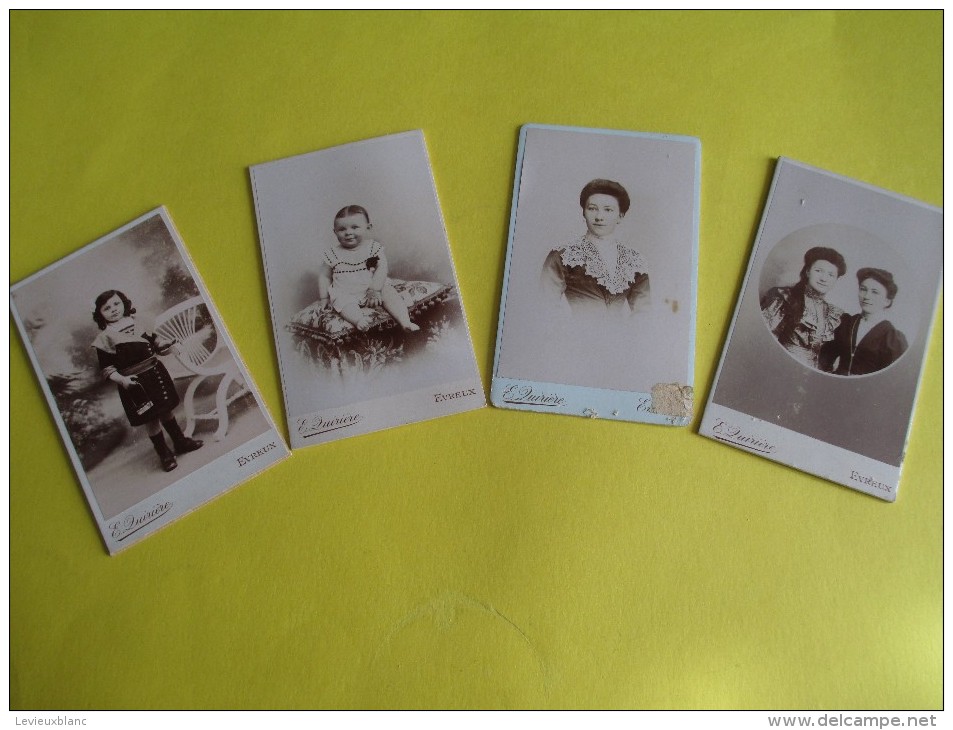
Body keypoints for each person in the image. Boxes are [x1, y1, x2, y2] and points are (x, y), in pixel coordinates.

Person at [92, 290, 202, 472]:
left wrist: (164, 344)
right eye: (107, 308)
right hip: (135, 383)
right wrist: (123, 380)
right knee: (151, 419)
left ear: (124, 304)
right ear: (100, 314)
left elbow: (155, 342)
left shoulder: (140, 323)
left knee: (166, 410)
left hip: (156, 373)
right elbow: (107, 369)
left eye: (116, 304)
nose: (113, 310)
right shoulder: (105, 339)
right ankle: (164, 454)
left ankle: (180, 442)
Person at [540, 179, 650, 315]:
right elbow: (545, 306)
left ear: (620, 216)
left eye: (608, 210)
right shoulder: (564, 255)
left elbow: (644, 312)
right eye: (592, 208)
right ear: (583, 213)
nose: (599, 217)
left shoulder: (634, 261)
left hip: (621, 335)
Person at [316, 205, 420, 333]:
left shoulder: (373, 247)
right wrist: (324, 298)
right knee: (343, 303)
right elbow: (324, 276)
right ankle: (359, 320)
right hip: (345, 291)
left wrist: (375, 289)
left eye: (355, 227)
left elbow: (382, 268)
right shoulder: (332, 253)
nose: (348, 232)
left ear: (368, 227)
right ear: (335, 232)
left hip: (371, 287)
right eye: (342, 229)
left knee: (389, 293)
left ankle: (405, 322)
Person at [761, 246, 847, 369]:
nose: (824, 278)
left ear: (836, 280)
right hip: (780, 368)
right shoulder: (785, 297)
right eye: (818, 271)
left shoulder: (833, 313)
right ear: (807, 271)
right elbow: (765, 341)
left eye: (831, 275)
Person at [820, 268, 908, 376]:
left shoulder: (892, 338)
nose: (866, 296)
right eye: (863, 289)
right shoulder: (845, 323)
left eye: (874, 292)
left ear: (887, 301)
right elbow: (825, 356)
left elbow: (894, 377)